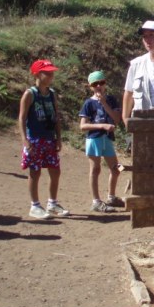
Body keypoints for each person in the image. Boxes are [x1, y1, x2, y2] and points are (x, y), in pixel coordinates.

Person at [18, 59, 70, 220]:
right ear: (36, 74)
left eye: (51, 72)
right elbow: (21, 118)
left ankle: (52, 203)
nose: (50, 75)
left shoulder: (52, 94)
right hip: (34, 138)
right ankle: (35, 206)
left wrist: (59, 138)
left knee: (55, 171)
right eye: (46, 72)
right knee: (35, 172)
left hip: (49, 138)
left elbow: (56, 117)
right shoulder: (30, 94)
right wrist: (24, 139)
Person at [79, 70, 123, 213]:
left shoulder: (110, 100)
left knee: (116, 168)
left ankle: (111, 197)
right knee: (95, 169)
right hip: (94, 139)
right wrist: (102, 126)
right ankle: (96, 201)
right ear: (90, 86)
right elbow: (83, 126)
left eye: (101, 83)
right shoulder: (88, 103)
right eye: (95, 84)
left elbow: (116, 119)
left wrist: (104, 104)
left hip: (107, 139)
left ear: (105, 84)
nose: (99, 86)